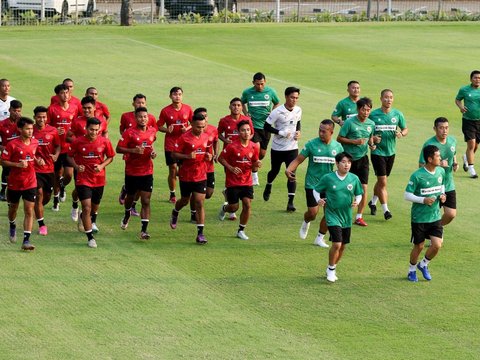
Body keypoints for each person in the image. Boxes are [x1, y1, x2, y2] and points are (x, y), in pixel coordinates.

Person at [285, 119, 344, 247]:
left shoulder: (338, 147)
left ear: (331, 132)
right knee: (312, 213)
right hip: (313, 185)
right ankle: (306, 221)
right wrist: (289, 169)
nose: (321, 133)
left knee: (330, 214)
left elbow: (341, 166)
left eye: (324, 131)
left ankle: (319, 238)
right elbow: (298, 159)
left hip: (329, 186)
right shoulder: (311, 144)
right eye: (320, 130)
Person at [313, 152, 363, 283]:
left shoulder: (354, 179)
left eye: (349, 162)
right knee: (337, 243)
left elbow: (359, 194)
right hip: (332, 215)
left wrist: (357, 201)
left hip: (346, 216)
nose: (347, 165)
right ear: (337, 163)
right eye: (344, 162)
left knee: (343, 246)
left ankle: (333, 267)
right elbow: (316, 189)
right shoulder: (328, 178)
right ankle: (330, 269)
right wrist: (318, 200)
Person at [67, 118, 115, 248]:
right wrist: (76, 167)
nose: (94, 132)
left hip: (99, 179)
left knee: (93, 209)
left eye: (96, 130)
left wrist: (101, 166)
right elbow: (69, 156)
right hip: (83, 179)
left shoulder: (105, 141)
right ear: (86, 129)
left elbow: (110, 156)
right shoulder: (78, 142)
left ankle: (84, 217)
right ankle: (90, 238)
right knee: (87, 207)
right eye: (91, 129)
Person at [405, 145, 446, 282]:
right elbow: (407, 195)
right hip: (419, 217)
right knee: (419, 246)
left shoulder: (440, 171)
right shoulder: (417, 175)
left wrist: (443, 195)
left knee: (437, 244)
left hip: (435, 216)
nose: (440, 158)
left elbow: (442, 186)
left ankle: (423, 264)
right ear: (429, 159)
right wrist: (423, 200)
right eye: (437, 156)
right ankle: (411, 270)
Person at [169, 112, 212, 245]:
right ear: (192, 124)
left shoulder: (206, 137)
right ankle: (175, 211)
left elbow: (208, 152)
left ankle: (200, 234)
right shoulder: (184, 138)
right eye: (198, 126)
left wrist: (208, 157)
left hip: (201, 174)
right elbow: (173, 154)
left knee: (199, 202)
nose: (201, 129)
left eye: (203, 127)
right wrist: (187, 157)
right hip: (186, 175)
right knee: (185, 200)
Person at [1, 117, 42, 251]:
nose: (30, 131)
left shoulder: (35, 142)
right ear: (19, 129)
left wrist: (38, 161)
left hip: (30, 181)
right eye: (27, 129)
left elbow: (33, 155)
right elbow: (3, 161)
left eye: (31, 129)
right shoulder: (12, 145)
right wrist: (17, 164)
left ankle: (26, 240)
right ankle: (12, 224)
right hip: (15, 182)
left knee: (29, 210)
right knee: (13, 208)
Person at [117, 107, 157, 240]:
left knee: (146, 200)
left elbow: (151, 145)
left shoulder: (152, 131)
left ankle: (144, 231)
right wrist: (134, 150)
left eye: (145, 116)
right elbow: (118, 148)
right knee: (130, 198)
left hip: (147, 171)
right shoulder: (129, 133)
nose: (143, 119)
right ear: (135, 118)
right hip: (132, 171)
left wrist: (152, 153)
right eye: (140, 117)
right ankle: (127, 213)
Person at [67, 96, 108, 224]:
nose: (86, 110)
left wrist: (104, 141)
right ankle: (75, 204)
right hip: (80, 161)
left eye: (89, 108)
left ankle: (89, 219)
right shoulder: (77, 121)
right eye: (84, 108)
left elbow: (105, 133)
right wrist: (80, 144)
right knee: (79, 189)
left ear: (95, 108)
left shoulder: (101, 121)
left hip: (96, 160)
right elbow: (68, 137)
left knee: (94, 196)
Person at [337, 97, 378, 226]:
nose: (366, 112)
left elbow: (370, 138)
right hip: (348, 160)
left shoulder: (371, 123)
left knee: (364, 188)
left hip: (363, 158)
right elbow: (339, 138)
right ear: (358, 109)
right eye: (363, 110)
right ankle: (341, 213)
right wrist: (353, 142)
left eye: (368, 110)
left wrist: (372, 145)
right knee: (345, 188)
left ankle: (359, 217)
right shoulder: (349, 122)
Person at [368, 89, 408, 220]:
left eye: (391, 97)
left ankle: (373, 202)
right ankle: (386, 209)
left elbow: (405, 129)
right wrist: (373, 140)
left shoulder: (397, 114)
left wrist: (401, 134)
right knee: (383, 181)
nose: (388, 100)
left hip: (391, 152)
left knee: (381, 180)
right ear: (381, 99)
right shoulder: (373, 115)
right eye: (386, 97)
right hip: (377, 152)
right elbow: (367, 131)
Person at [218, 120, 261, 240]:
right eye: (243, 130)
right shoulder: (232, 146)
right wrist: (231, 168)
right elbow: (221, 158)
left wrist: (257, 164)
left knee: (247, 205)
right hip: (233, 182)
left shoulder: (254, 146)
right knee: (234, 207)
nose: (246, 132)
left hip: (247, 181)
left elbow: (254, 163)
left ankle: (241, 230)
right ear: (238, 132)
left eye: (248, 130)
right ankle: (224, 208)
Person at [263, 86, 302, 212]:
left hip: (292, 148)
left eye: (296, 98)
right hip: (278, 148)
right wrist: (280, 132)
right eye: (292, 97)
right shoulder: (277, 112)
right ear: (286, 97)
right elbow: (266, 126)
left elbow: (298, 122)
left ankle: (290, 202)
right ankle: (269, 185)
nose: (294, 100)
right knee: (274, 171)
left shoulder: (298, 110)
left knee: (291, 173)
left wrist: (298, 132)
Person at [118, 93, 157, 212]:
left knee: (142, 189)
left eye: (143, 102)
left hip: (146, 161)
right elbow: (122, 132)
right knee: (134, 181)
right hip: (130, 156)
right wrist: (132, 149)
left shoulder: (150, 119)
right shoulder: (126, 116)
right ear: (133, 103)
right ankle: (127, 191)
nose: (140, 104)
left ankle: (133, 205)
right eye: (138, 102)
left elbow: (151, 140)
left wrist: (152, 151)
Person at [217, 97, 254, 221]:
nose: (236, 107)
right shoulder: (224, 121)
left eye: (239, 105)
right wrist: (225, 140)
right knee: (231, 178)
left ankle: (231, 206)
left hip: (244, 152)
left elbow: (252, 133)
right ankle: (231, 208)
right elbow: (218, 134)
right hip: (230, 155)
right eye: (234, 105)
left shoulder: (246, 120)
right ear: (230, 106)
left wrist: (247, 140)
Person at [241, 72, 280, 185]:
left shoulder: (271, 92)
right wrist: (246, 113)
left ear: (265, 82)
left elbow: (277, 103)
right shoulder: (248, 92)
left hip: (266, 126)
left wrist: (272, 112)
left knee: (262, 153)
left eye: (262, 84)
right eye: (257, 84)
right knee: (256, 147)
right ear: (253, 83)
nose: (260, 86)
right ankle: (254, 176)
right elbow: (241, 102)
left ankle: (250, 164)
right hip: (253, 126)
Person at [419, 117, 457, 226]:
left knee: (451, 214)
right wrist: (439, 164)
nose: (444, 131)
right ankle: (433, 233)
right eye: (441, 128)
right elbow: (421, 165)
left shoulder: (453, 141)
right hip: (433, 184)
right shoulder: (429, 144)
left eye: (446, 128)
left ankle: (436, 230)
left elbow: (453, 154)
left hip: (448, 184)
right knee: (429, 214)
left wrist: (455, 163)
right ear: (434, 129)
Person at [158, 87, 193, 204]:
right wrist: (167, 130)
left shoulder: (188, 109)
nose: (177, 96)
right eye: (174, 94)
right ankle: (172, 193)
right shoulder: (165, 111)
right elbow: (159, 126)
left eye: (179, 94)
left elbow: (194, 123)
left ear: (182, 96)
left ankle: (185, 192)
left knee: (183, 170)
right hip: (171, 144)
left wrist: (186, 128)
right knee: (173, 169)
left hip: (185, 144)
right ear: (170, 96)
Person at [48, 83, 80, 211]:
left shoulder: (74, 108)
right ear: (57, 95)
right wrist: (56, 130)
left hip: (69, 146)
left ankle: (62, 187)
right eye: (62, 93)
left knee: (68, 175)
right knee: (57, 174)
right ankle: (56, 199)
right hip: (56, 147)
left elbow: (78, 124)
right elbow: (47, 127)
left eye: (67, 92)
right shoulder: (51, 109)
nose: (65, 95)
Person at [32, 106, 61, 236]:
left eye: (44, 117)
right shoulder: (29, 130)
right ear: (35, 117)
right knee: (39, 194)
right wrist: (34, 159)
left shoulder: (53, 131)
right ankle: (42, 224)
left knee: (46, 197)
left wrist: (56, 155)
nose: (41, 119)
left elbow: (58, 146)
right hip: (34, 169)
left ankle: (37, 209)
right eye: (39, 117)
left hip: (49, 169)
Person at [188, 107, 218, 223]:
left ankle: (197, 205)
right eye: (201, 116)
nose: (203, 118)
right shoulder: (189, 134)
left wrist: (215, 153)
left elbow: (215, 141)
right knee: (197, 195)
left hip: (209, 166)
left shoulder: (213, 130)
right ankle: (194, 213)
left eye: (205, 116)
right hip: (196, 168)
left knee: (209, 193)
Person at [455, 70, 480, 179]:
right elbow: (457, 100)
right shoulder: (464, 90)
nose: (477, 80)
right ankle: (471, 169)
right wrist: (461, 107)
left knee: (475, 146)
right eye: (475, 78)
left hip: (479, 121)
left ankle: (466, 157)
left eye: (479, 78)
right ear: (471, 79)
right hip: (468, 120)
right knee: (471, 143)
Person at [0, 99, 22, 201]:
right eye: (14, 111)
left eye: (18, 111)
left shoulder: (22, 124)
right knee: (6, 170)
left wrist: (22, 122)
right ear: (9, 110)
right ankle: (3, 190)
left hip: (19, 151)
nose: (16, 113)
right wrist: (2, 148)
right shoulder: (2, 124)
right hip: (7, 152)